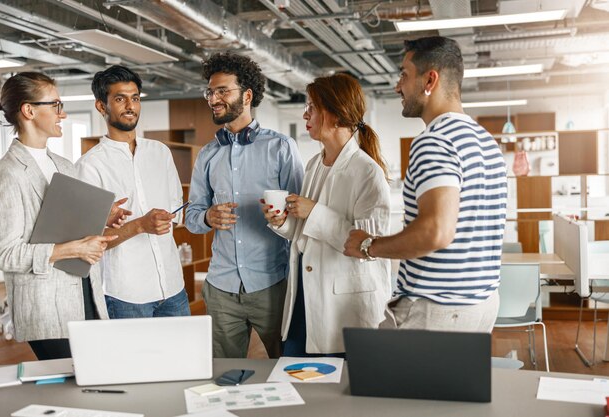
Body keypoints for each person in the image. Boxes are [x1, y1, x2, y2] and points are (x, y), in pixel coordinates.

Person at [344, 36, 508, 332]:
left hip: (437, 310)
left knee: (386, 379)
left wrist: (369, 246)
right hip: (481, 304)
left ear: (429, 80)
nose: (398, 87)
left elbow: (436, 232)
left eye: (404, 75)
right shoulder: (485, 141)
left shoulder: (435, 141)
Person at [0, 72, 123, 360]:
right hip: (45, 304)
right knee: (73, 387)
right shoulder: (7, 173)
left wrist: (99, 218)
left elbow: (62, 224)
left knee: (93, 379)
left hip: (84, 290)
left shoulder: (63, 165)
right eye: (56, 105)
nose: (64, 113)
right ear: (29, 110)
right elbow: (6, 254)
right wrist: (73, 249)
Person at [262, 73, 391, 356]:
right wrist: (283, 222)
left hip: (343, 303)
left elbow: (370, 245)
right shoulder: (314, 165)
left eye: (312, 106)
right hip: (305, 295)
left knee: (339, 389)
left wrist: (314, 212)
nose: (305, 113)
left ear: (334, 113)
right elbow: (303, 231)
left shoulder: (367, 172)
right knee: (299, 376)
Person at [185, 52, 304, 358]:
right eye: (210, 92)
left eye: (222, 91)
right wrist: (209, 217)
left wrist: (281, 218)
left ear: (247, 95)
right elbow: (192, 216)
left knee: (286, 366)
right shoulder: (207, 155)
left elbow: (301, 215)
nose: (213, 99)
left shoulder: (281, 147)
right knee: (224, 375)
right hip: (220, 287)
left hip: (272, 283)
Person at [76, 65, 191, 319]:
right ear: (101, 106)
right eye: (120, 98)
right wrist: (139, 225)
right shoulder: (89, 166)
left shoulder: (160, 153)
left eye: (135, 98)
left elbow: (177, 211)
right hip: (126, 296)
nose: (130, 105)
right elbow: (87, 242)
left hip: (173, 287)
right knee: (132, 361)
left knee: (183, 359)